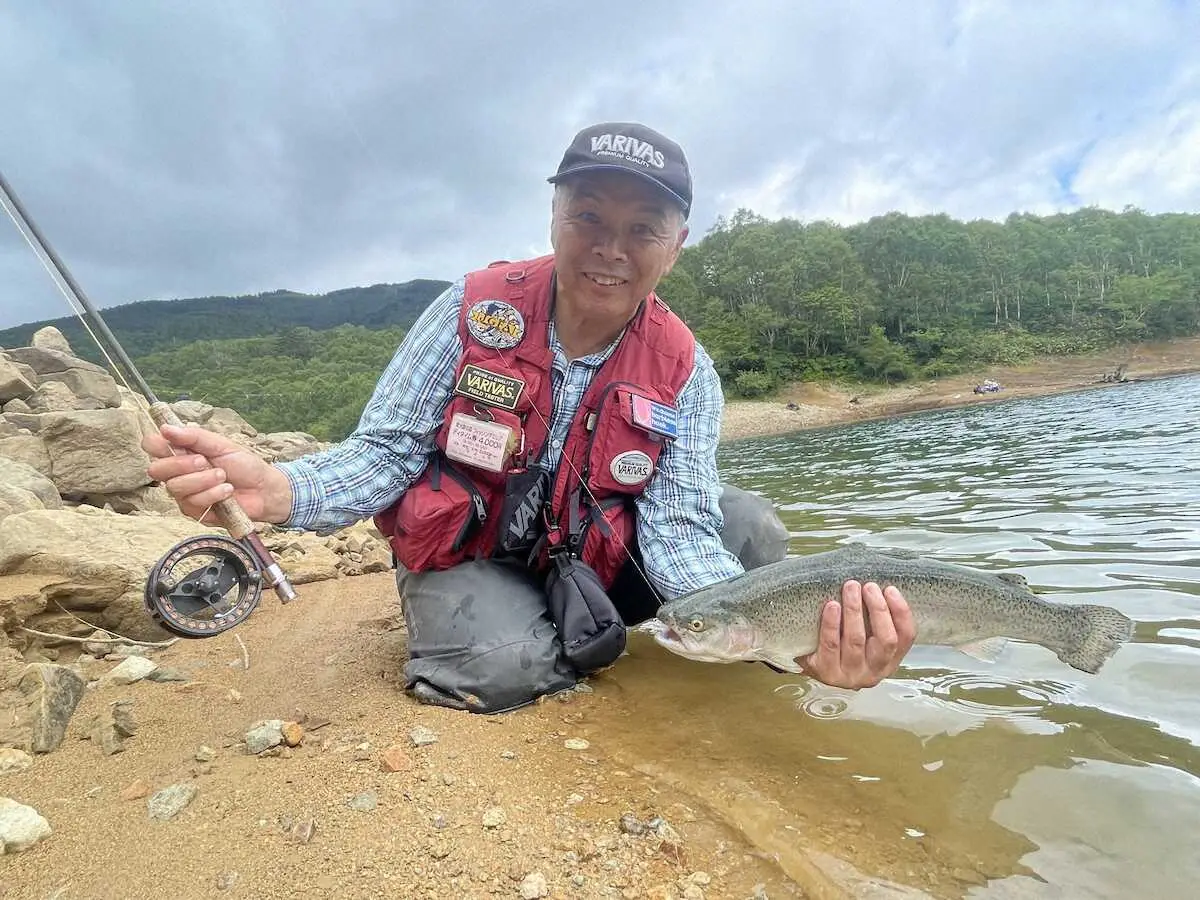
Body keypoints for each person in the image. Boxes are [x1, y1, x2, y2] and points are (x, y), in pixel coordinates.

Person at [143, 122, 917, 713]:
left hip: (602, 560)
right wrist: (278, 490)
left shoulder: (688, 369)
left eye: (643, 228)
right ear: (553, 216)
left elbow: (677, 527)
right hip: (475, 558)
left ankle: (649, 648)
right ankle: (516, 636)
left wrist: (785, 644)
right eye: (588, 216)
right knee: (502, 668)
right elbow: (388, 453)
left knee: (750, 529)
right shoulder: (470, 310)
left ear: (676, 247)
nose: (611, 248)